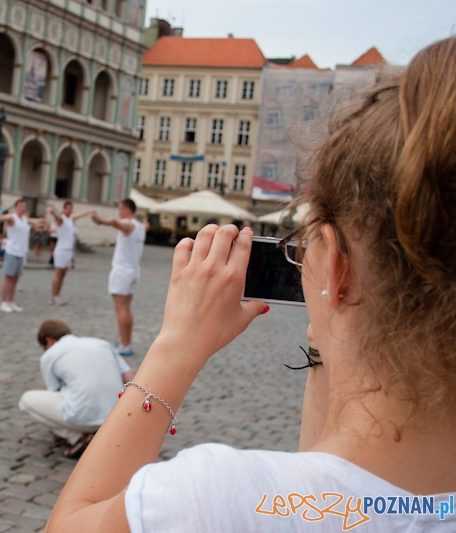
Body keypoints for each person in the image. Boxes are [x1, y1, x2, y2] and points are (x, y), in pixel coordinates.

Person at [45, 37, 456, 532]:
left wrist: (177, 346)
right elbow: (333, 473)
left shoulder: (220, 498)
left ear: (338, 268)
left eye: (304, 244)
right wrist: (327, 343)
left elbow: (67, 524)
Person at [20, 320, 134, 458]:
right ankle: (101, 433)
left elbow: (55, 392)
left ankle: (76, 437)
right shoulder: (102, 343)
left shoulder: (49, 356)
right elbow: (129, 379)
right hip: (117, 416)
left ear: (48, 341)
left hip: (83, 417)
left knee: (25, 401)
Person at [91, 199, 147, 357]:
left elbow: (116, 223)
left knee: (121, 309)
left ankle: (124, 345)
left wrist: (101, 221)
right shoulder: (141, 226)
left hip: (123, 271)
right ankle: (126, 342)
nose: (119, 212)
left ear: (127, 210)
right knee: (127, 308)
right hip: (134, 270)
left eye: (120, 209)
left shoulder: (129, 224)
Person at [0, 199, 47, 313]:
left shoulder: (25, 219)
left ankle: (11, 301)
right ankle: (4, 302)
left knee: (15, 279)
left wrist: (41, 220)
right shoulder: (12, 217)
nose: (22, 208)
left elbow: (34, 221)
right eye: (20, 206)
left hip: (21, 252)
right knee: (8, 278)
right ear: (16, 207)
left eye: (24, 206)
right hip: (12, 251)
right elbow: (2, 218)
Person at [47, 201, 93, 305]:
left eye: (71, 208)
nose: (70, 210)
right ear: (64, 209)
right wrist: (53, 212)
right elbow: (58, 217)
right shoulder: (61, 219)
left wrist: (89, 211)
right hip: (61, 250)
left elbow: (80, 214)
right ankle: (53, 296)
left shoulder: (71, 219)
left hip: (68, 250)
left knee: (63, 275)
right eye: (67, 208)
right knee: (58, 273)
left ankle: (57, 295)